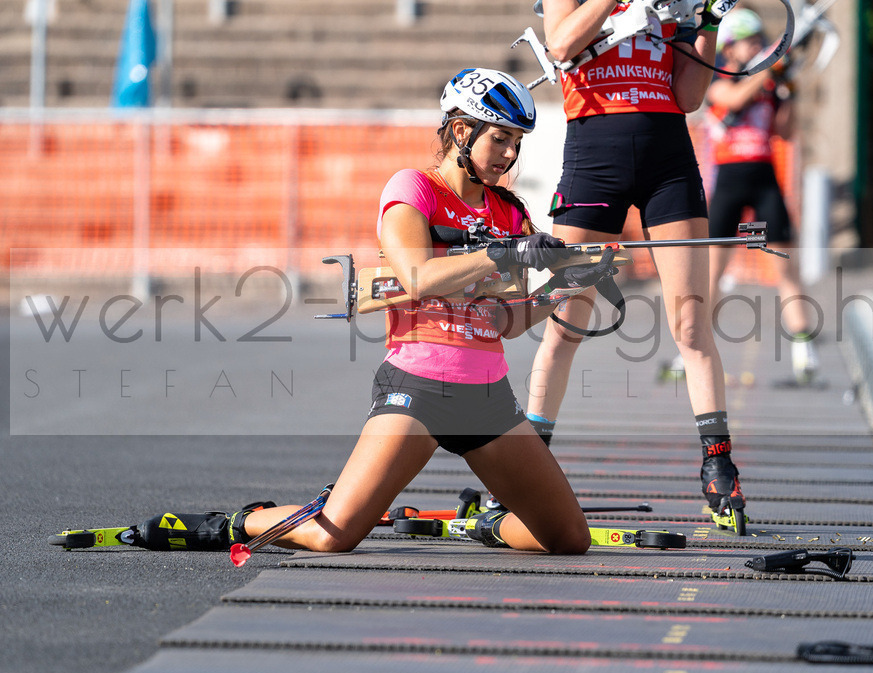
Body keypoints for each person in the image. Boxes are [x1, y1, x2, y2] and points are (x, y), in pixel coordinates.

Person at [111, 69, 597, 556]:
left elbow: (505, 324)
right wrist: (503, 253)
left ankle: (483, 525)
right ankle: (238, 523)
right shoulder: (414, 188)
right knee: (333, 536)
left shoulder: (509, 213)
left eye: (517, 143)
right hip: (419, 389)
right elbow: (418, 277)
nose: (510, 154)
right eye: (501, 139)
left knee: (568, 538)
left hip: (487, 396)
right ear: (461, 131)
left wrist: (565, 286)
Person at [525, 0, 746, 526]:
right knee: (566, 323)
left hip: (667, 160)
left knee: (691, 322)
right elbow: (560, 45)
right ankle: (526, 464)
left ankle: (718, 463)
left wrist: (709, 20)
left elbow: (689, 96)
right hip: (594, 155)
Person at [663, 8, 819, 385]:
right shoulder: (718, 77)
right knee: (711, 274)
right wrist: (770, 68)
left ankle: (804, 353)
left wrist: (789, 90)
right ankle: (689, 352)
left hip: (765, 180)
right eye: (751, 42)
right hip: (729, 183)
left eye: (760, 42)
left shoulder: (769, 85)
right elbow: (731, 100)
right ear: (730, 48)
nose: (758, 48)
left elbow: (785, 131)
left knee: (786, 268)